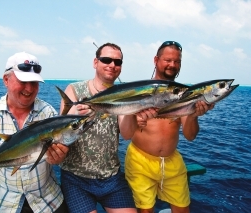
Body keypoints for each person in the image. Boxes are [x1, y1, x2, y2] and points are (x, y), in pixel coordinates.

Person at [119, 41, 215, 213]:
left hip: (172, 162)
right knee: (145, 210)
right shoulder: (140, 90)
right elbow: (126, 132)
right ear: (156, 60)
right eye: (168, 60)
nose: (173, 65)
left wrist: (193, 116)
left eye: (177, 61)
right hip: (140, 161)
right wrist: (133, 116)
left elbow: (190, 135)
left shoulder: (183, 94)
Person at [0, 52, 69, 213]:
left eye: (34, 82)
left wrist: (58, 157)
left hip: (47, 199)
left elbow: (54, 155)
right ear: (6, 80)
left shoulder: (47, 112)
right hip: (3, 202)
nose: (29, 89)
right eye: (23, 81)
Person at [59, 43, 137, 213]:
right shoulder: (74, 89)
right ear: (95, 62)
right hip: (76, 178)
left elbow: (127, 134)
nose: (112, 65)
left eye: (118, 62)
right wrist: (78, 112)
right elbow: (63, 131)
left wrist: (132, 108)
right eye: (106, 60)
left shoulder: (123, 94)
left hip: (111, 178)